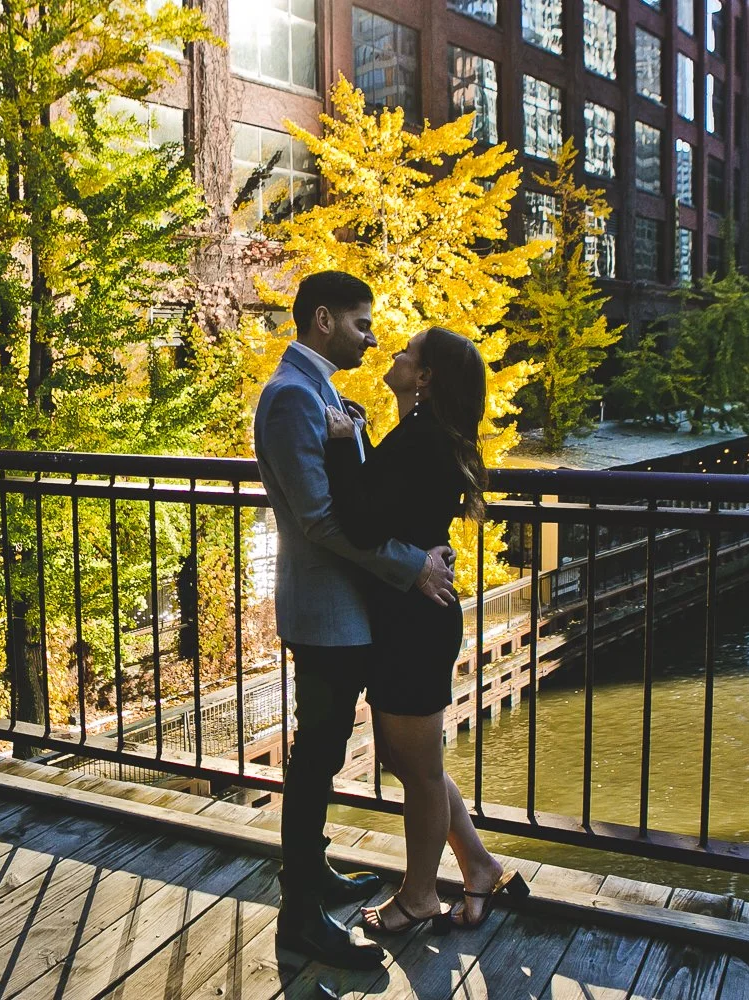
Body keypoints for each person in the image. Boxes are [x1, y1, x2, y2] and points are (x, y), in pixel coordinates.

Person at [252, 271, 458, 970]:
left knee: (326, 751)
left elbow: (357, 499)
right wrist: (413, 567)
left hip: (349, 611)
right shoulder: (290, 398)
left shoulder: (320, 393)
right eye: (362, 324)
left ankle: (311, 876)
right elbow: (320, 520)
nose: (372, 338)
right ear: (322, 321)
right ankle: (300, 918)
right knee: (315, 760)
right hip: (325, 614)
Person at [323, 326, 528, 935]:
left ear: (426, 376)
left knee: (415, 769)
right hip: (411, 616)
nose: (395, 355)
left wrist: (339, 445)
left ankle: (417, 897)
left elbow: (361, 523)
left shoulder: (424, 441)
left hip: (415, 622)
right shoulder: (424, 436)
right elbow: (388, 509)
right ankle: (479, 866)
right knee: (419, 763)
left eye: (407, 354)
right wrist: (356, 438)